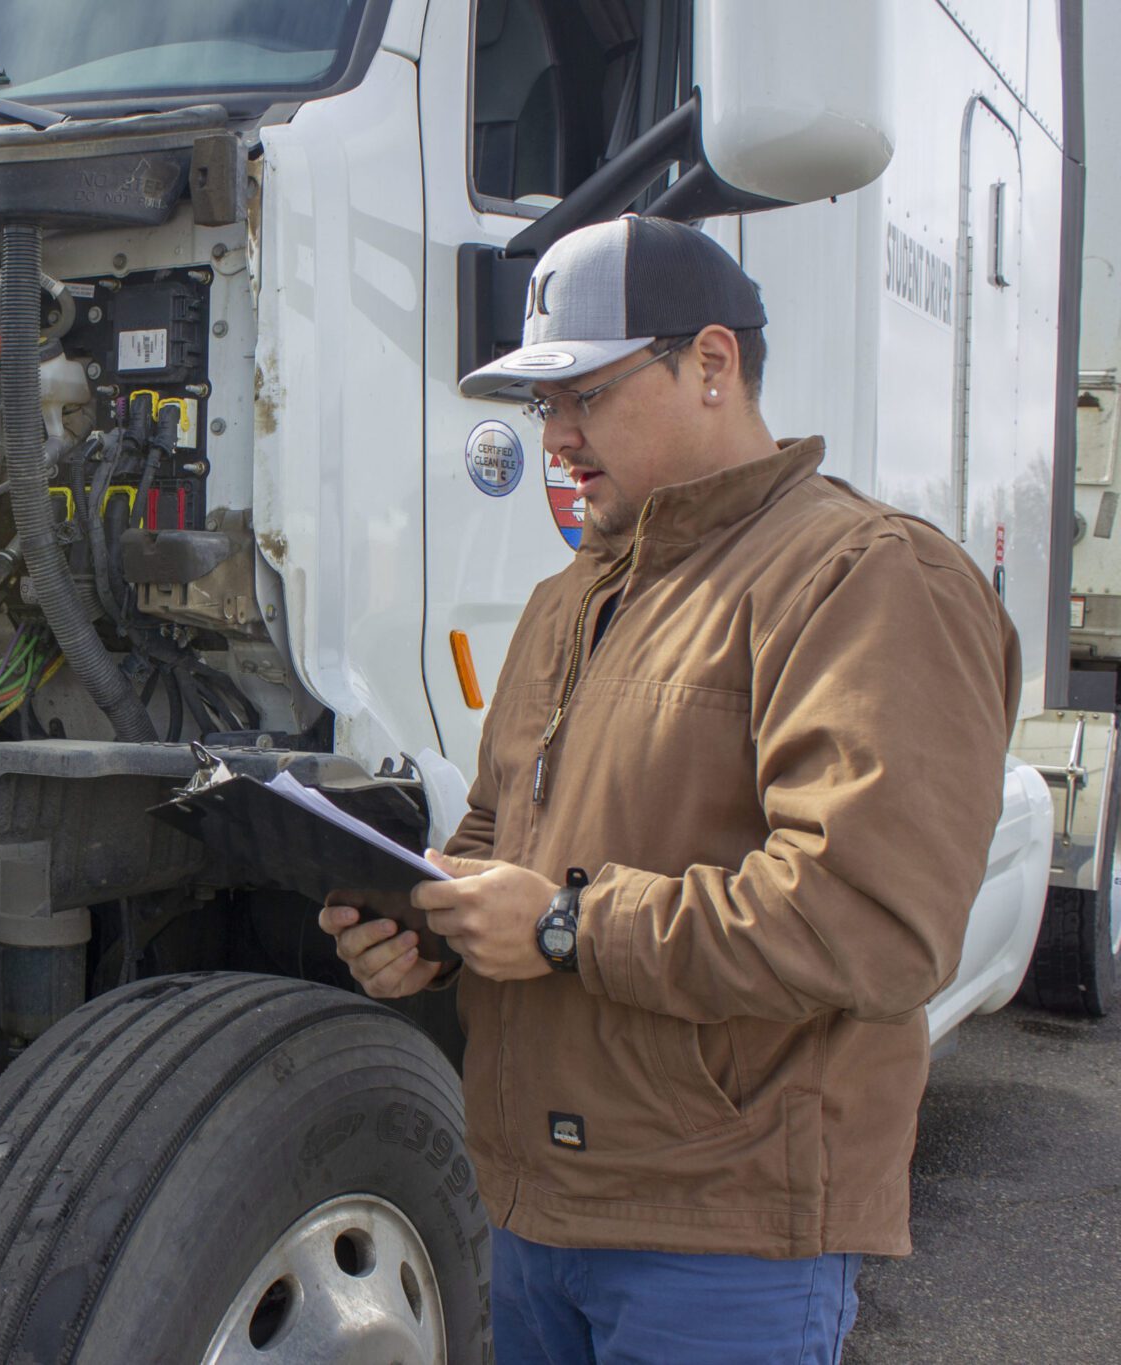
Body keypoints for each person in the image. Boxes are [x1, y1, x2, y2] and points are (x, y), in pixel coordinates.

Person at [318, 215, 1020, 1364]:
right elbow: (503, 833)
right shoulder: (572, 595)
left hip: (721, 1236)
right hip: (533, 1211)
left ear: (709, 364)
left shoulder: (864, 577)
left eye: (583, 397)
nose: (554, 437)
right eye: (541, 407)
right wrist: (430, 922)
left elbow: (871, 923)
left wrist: (556, 925)